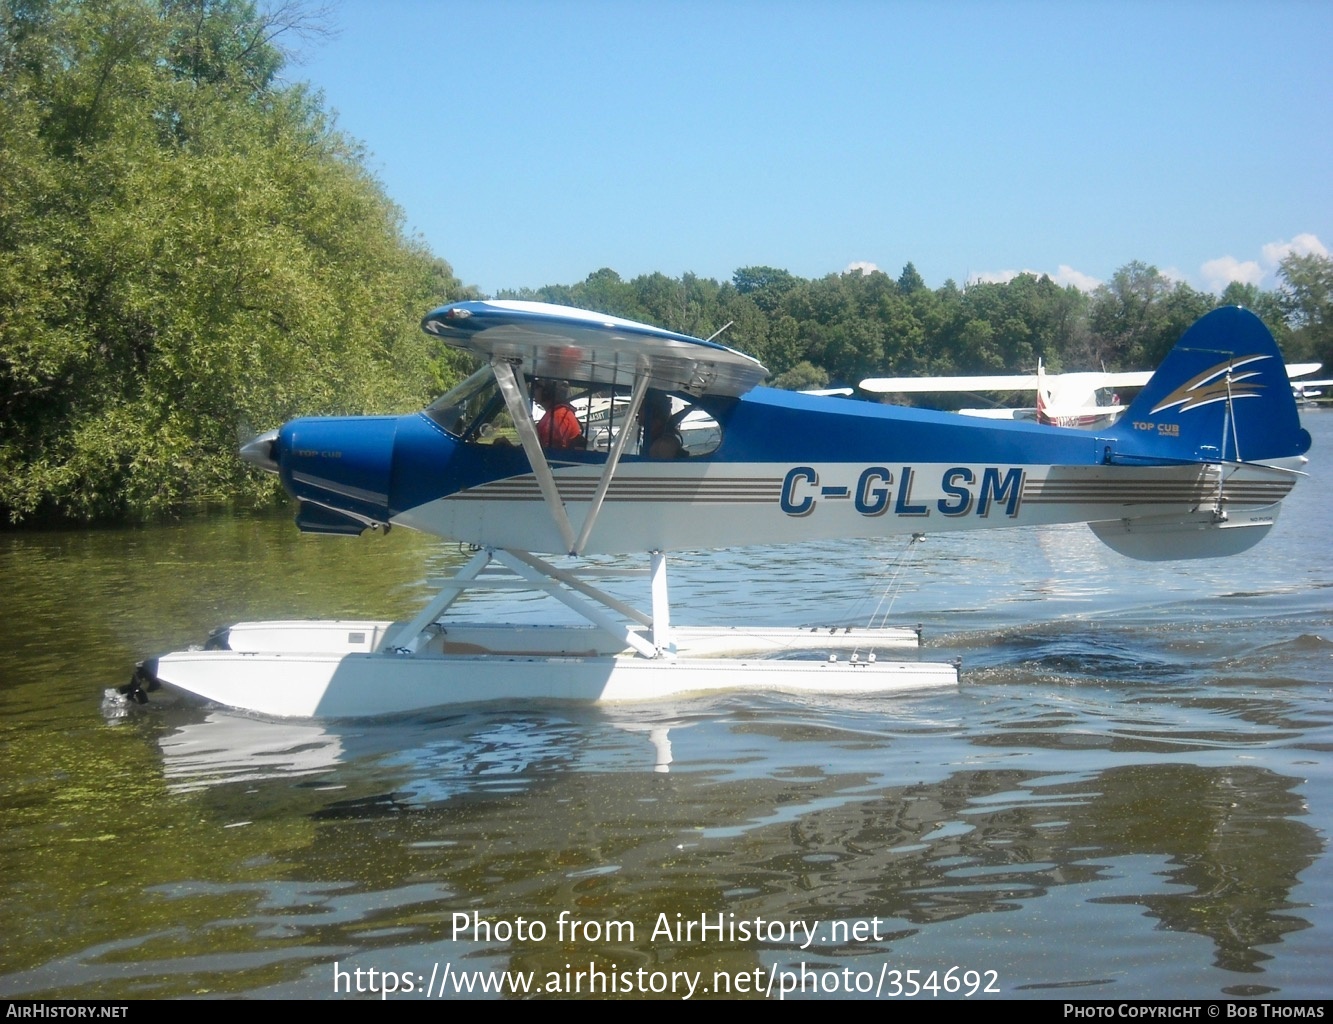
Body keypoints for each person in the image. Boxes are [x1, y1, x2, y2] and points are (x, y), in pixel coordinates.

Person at [533, 380, 585, 449]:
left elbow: (552, 451)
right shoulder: (554, 413)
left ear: (547, 392)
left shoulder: (559, 415)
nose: (534, 390)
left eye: (537, 387)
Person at [639, 390, 685, 458]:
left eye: (641, 409)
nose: (638, 413)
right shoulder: (659, 438)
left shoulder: (664, 445)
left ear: (652, 412)